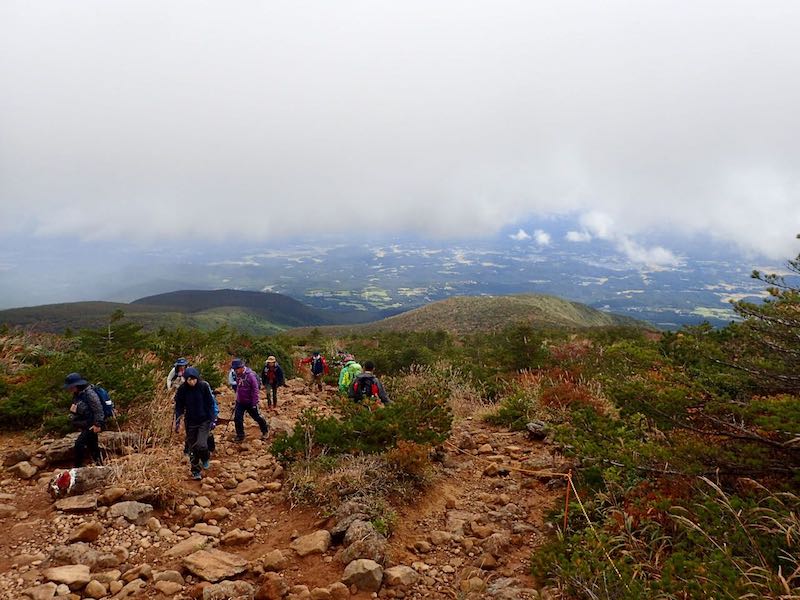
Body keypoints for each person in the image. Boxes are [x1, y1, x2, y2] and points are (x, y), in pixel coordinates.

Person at [174, 367, 215, 480]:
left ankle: (205, 457)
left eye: (194, 379)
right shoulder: (182, 390)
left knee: (201, 444)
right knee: (192, 448)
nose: (192, 382)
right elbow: (179, 406)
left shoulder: (203, 386)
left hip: (204, 420)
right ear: (185, 379)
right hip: (190, 421)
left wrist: (212, 419)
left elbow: (210, 403)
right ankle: (195, 470)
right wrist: (177, 422)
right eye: (189, 379)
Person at [63, 372, 105, 468]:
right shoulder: (77, 394)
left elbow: (98, 409)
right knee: (92, 445)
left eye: (70, 386)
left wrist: (98, 424)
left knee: (79, 444)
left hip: (92, 424)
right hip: (86, 423)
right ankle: (100, 465)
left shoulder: (90, 394)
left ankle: (78, 468)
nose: (69, 389)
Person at [231, 358, 269, 442]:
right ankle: (240, 435)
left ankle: (265, 430)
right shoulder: (238, 376)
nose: (235, 370)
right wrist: (237, 399)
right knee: (237, 418)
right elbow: (238, 388)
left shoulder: (250, 375)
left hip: (250, 402)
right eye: (234, 369)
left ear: (242, 367)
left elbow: (255, 390)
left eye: (237, 368)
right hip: (240, 401)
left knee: (257, 417)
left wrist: (254, 402)